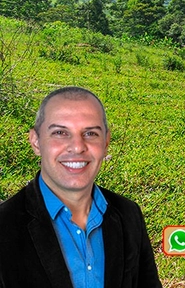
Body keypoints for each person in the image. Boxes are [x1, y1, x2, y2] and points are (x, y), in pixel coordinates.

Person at [0, 86, 162, 288]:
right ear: (36, 141)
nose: (77, 147)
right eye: (60, 132)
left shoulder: (129, 214)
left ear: (106, 142)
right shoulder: (4, 226)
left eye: (91, 133)